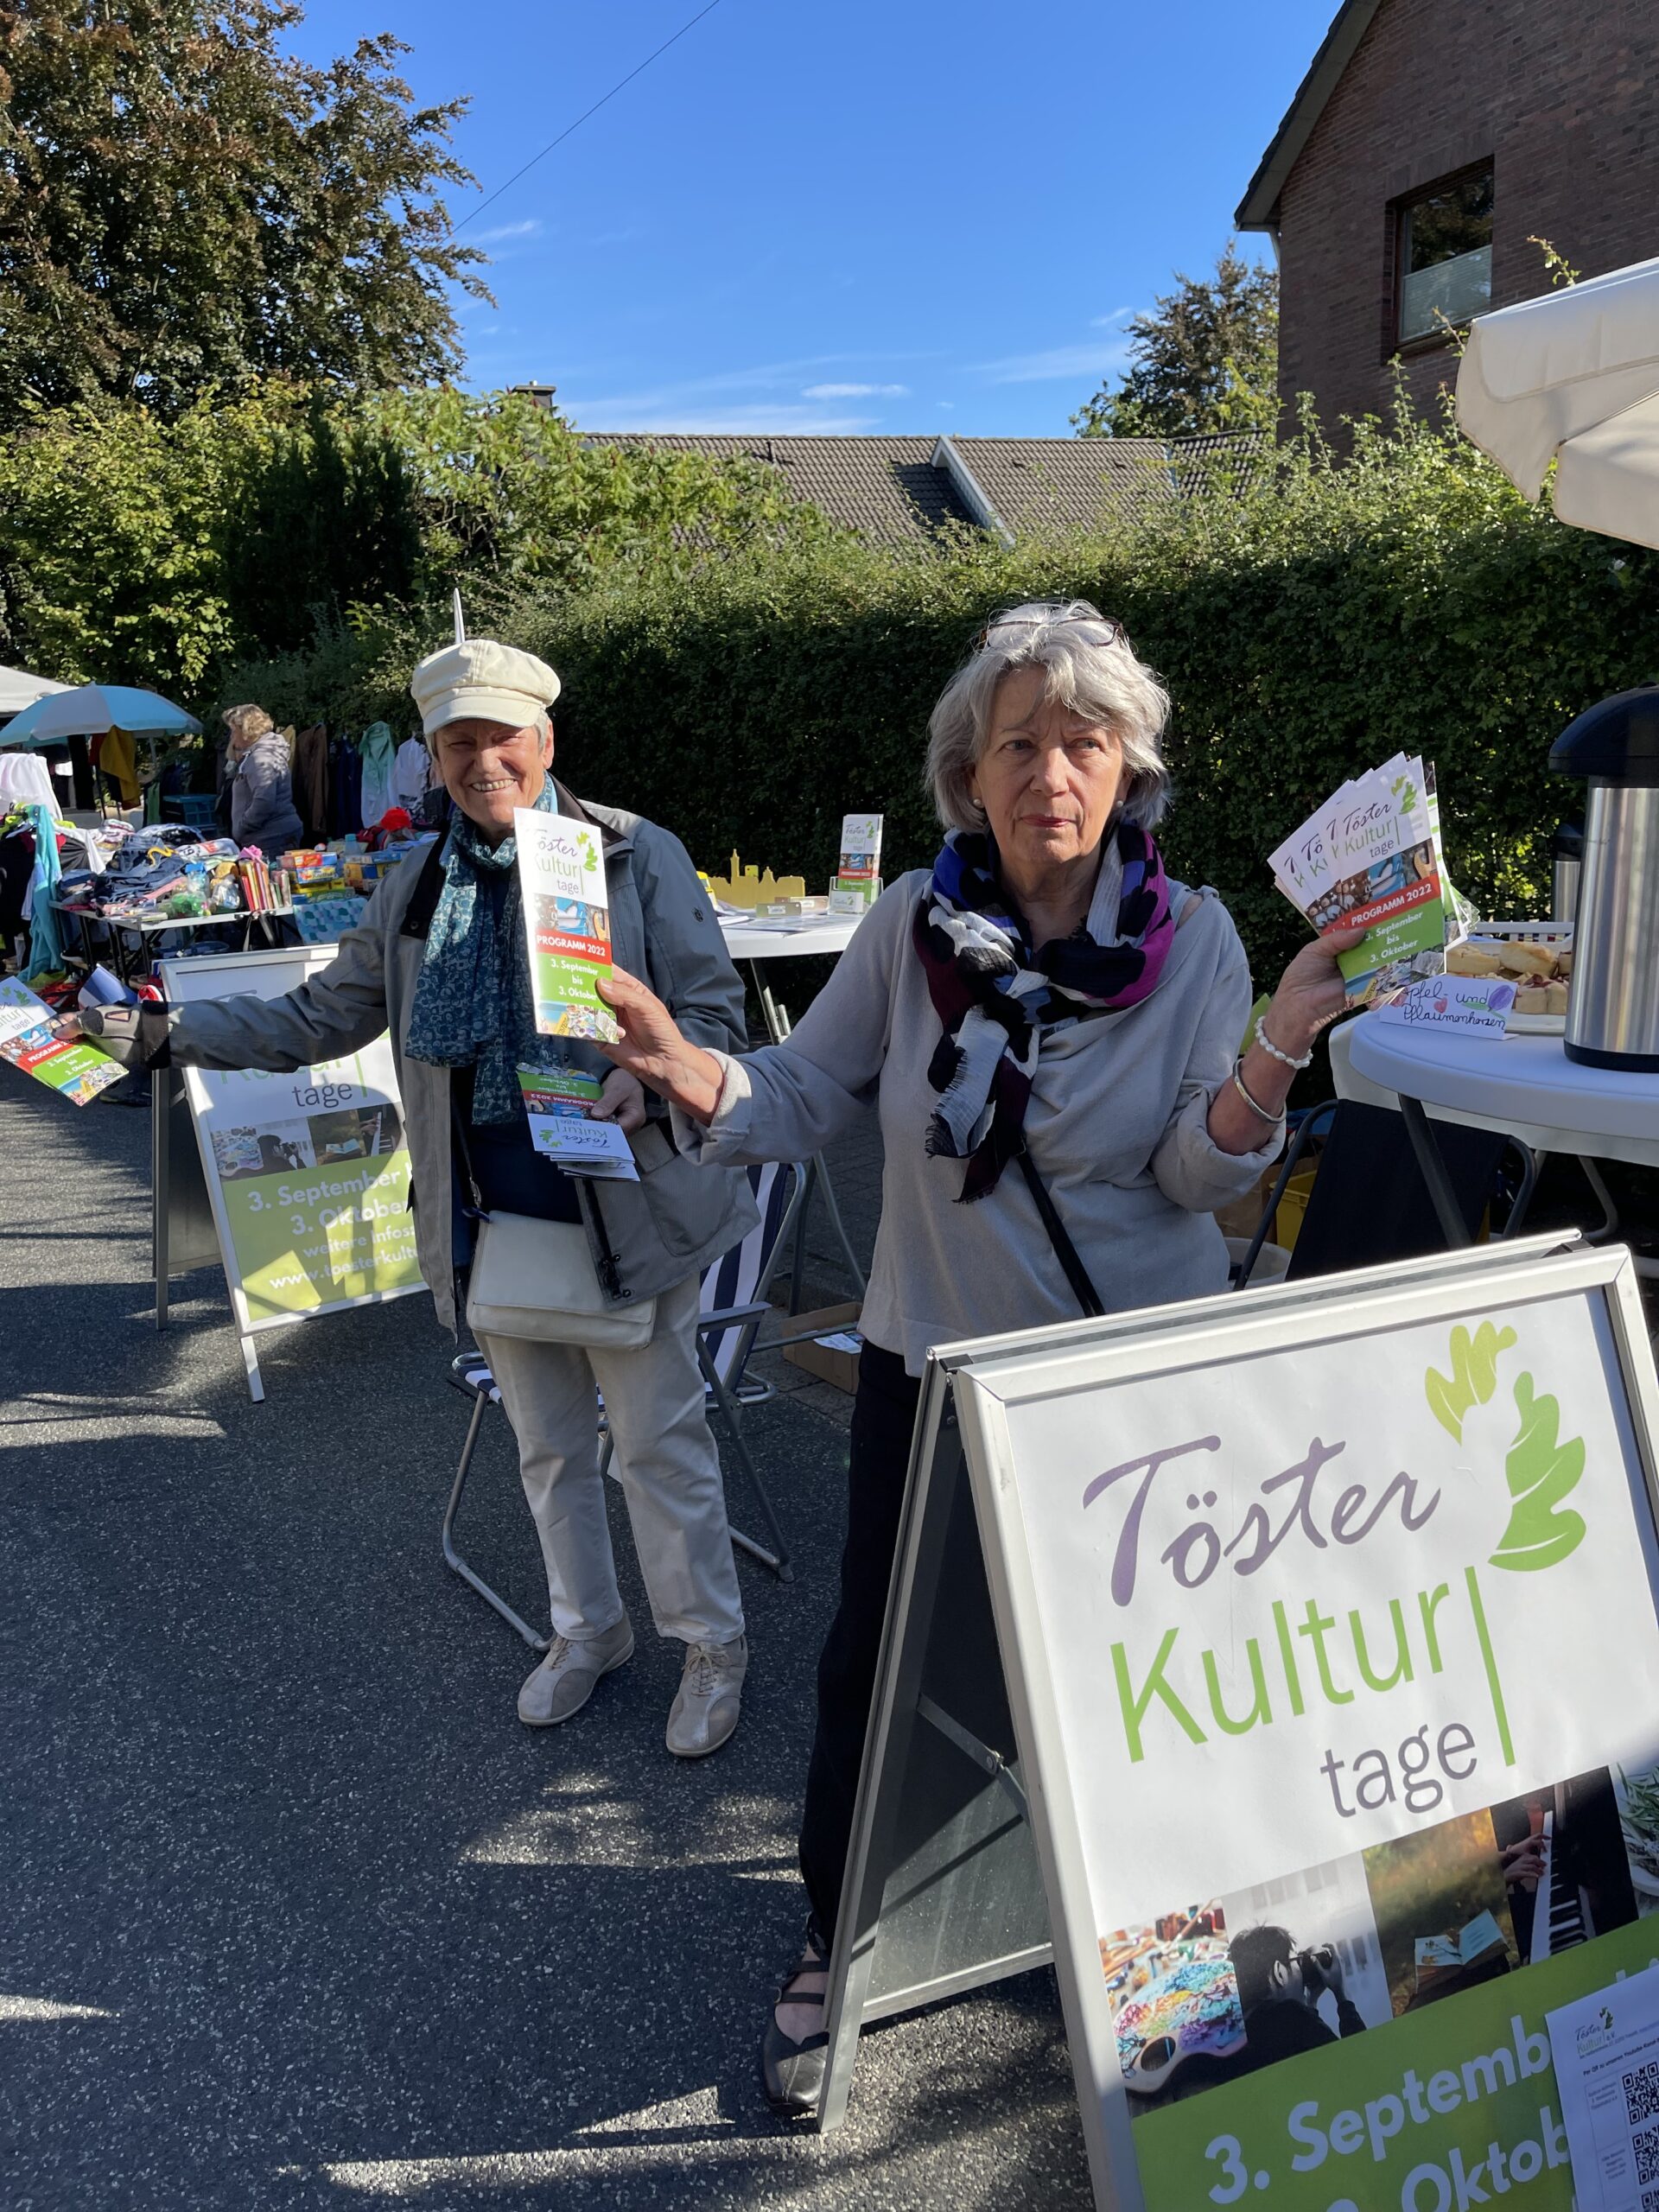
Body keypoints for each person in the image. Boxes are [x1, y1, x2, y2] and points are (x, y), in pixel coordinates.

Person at [593, 600, 1363, 2108]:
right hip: (932, 1365)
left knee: (1152, 1676)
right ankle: (842, 1937)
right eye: (1018, 744)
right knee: (879, 1667)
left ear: (1129, 770)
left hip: (1127, 1381)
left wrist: (1276, 1048)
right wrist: (691, 1070)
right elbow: (808, 1094)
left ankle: (1173, 1960)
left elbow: (1198, 1174)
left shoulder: (1199, 938)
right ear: (969, 773)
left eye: (1084, 742)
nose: (1049, 774)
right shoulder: (908, 928)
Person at [78, 638, 759, 1757]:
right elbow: (318, 1018)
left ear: (546, 740)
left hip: (626, 1202)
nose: (483, 761)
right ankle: (588, 1630)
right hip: (489, 1211)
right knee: (546, 1447)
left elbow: (717, 1016)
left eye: (503, 737)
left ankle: (710, 1646)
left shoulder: (635, 855)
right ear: (434, 758)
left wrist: (654, 1077)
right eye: (458, 743)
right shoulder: (415, 884)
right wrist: (167, 1034)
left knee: (657, 1446)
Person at [221, 705, 304, 855]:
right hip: (273, 835)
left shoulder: (260, 757)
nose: (232, 736)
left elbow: (264, 800)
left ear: (246, 730)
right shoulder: (263, 753)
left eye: (234, 730)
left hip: (270, 838)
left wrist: (243, 827)